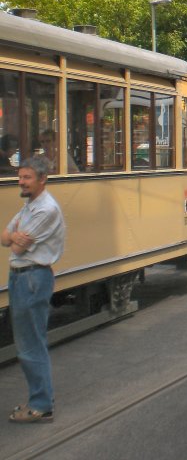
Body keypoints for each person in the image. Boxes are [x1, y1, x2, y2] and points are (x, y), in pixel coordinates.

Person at [2, 155, 66, 423]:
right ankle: (39, 400)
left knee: (31, 345)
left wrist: (13, 237)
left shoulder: (46, 209)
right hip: (21, 277)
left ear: (42, 179)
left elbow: (16, 246)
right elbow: (5, 236)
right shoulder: (30, 206)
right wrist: (13, 236)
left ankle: (40, 405)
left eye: (27, 177)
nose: (22, 182)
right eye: (20, 176)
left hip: (32, 278)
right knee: (28, 343)